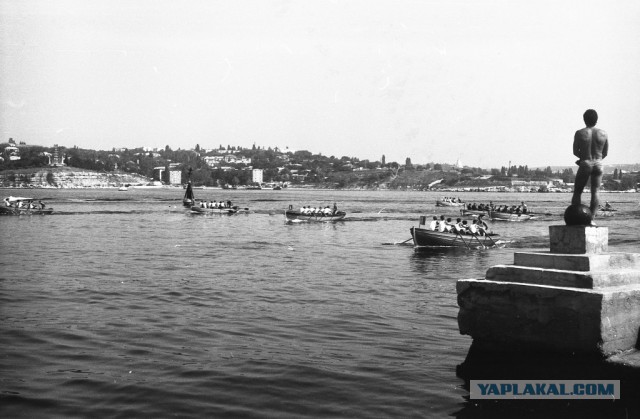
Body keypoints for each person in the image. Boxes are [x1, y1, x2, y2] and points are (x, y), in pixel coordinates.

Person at [571, 109, 609, 221]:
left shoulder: (579, 133)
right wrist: (596, 159)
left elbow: (575, 151)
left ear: (584, 119)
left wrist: (582, 158)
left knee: (578, 191)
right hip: (598, 164)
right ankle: (591, 219)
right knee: (595, 191)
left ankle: (576, 217)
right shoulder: (604, 133)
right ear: (596, 120)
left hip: (585, 163)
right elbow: (605, 153)